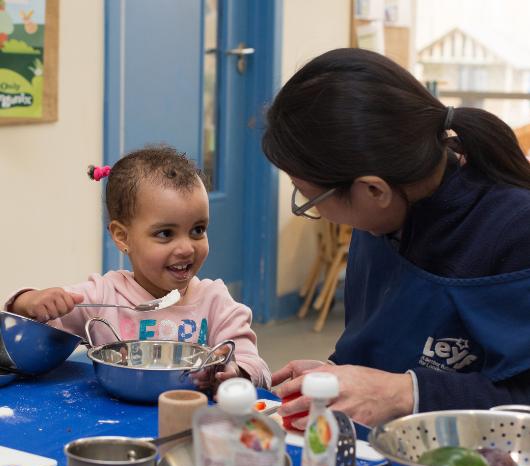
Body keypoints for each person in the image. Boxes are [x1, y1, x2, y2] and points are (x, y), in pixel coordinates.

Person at [262, 48, 530, 428]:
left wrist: (402, 393)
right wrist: (341, 373)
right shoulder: (384, 217)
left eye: (310, 199)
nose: (314, 212)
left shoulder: (513, 232)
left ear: (374, 190)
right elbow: (388, 344)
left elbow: (519, 403)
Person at [5, 145, 271, 389]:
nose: (187, 248)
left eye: (197, 230)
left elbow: (257, 368)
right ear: (122, 236)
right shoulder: (102, 296)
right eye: (166, 234)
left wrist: (236, 373)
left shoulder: (216, 302)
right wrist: (30, 301)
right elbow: (32, 320)